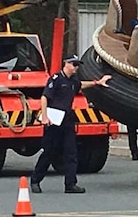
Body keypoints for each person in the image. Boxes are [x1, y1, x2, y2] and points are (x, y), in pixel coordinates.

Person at [30, 55, 111, 194]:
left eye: (77, 65)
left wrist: (97, 82)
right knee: (49, 153)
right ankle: (35, 180)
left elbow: (81, 84)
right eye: (74, 64)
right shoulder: (56, 79)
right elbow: (44, 98)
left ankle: (70, 184)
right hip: (53, 122)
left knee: (71, 153)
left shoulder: (73, 82)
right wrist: (44, 117)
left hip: (67, 122)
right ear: (66, 64)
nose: (76, 67)